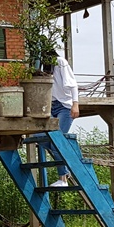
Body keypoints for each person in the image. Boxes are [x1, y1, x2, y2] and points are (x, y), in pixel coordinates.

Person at [44, 53, 80, 187]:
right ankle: (67, 161)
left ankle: (63, 179)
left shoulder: (60, 62)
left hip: (65, 106)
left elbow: (73, 84)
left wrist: (75, 104)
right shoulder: (40, 65)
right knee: (39, 136)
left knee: (56, 142)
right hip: (50, 106)